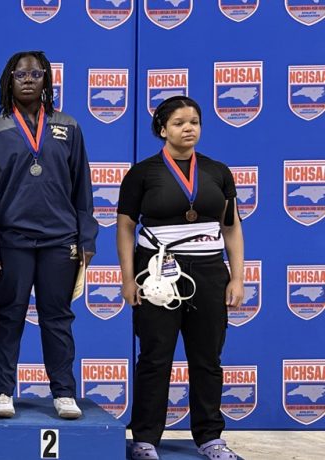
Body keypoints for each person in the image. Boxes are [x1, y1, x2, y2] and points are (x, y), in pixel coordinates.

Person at [117, 96, 243, 460]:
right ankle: (145, 439)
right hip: (156, 272)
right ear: (162, 129)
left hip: (209, 272)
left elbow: (231, 227)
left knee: (208, 358)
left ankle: (210, 438)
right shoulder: (142, 173)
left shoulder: (218, 171)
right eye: (179, 123)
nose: (188, 128)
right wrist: (128, 278)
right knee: (155, 357)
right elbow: (124, 228)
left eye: (194, 122)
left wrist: (237, 277)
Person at [0, 50, 97, 420]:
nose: (28, 80)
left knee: (57, 317)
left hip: (61, 240)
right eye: (20, 74)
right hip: (12, 241)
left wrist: (86, 238)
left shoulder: (68, 127)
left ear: (47, 80)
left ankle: (64, 392)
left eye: (36, 74)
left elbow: (83, 187)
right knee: (8, 316)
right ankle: (1, 390)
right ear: (8, 80)